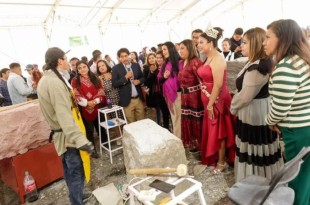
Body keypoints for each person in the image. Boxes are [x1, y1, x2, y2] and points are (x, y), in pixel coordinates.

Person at [37, 47, 94, 205]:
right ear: (59, 61)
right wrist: (81, 141)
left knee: (70, 171)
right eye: (66, 59)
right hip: (67, 137)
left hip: (63, 134)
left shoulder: (49, 79)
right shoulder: (54, 83)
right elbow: (63, 116)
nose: (68, 62)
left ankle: (77, 196)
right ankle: (77, 201)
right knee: (75, 171)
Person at [264, 19, 310, 205]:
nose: (264, 42)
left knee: (297, 182)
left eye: (267, 37)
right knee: (306, 180)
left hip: (297, 133)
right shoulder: (301, 60)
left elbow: (280, 108)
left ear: (282, 38)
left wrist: (269, 120)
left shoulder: (286, 67)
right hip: (305, 128)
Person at [230, 27, 283, 182]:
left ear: (254, 44)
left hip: (254, 112)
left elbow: (246, 96)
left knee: (255, 148)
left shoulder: (257, 68)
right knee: (257, 147)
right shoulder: (254, 62)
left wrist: (233, 107)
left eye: (245, 43)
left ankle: (256, 182)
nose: (241, 46)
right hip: (254, 109)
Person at [196, 27, 235, 172]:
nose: (198, 45)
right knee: (213, 130)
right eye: (198, 42)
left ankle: (221, 162)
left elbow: (218, 85)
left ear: (211, 43)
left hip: (217, 101)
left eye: (201, 42)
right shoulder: (208, 57)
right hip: (209, 100)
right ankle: (215, 159)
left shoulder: (218, 58)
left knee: (220, 132)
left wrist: (211, 104)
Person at [71, 61, 106, 159]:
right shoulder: (75, 80)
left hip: (97, 107)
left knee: (101, 126)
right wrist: (86, 103)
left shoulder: (95, 78)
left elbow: (101, 91)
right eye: (80, 68)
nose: (82, 69)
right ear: (77, 70)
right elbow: (75, 94)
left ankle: (105, 143)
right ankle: (92, 150)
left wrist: (94, 102)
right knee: (89, 131)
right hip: (84, 109)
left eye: (84, 67)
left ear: (88, 67)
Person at [178, 39, 204, 151]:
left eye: (182, 48)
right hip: (185, 97)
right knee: (188, 120)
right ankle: (194, 143)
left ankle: (201, 146)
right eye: (179, 49)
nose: (180, 51)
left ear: (189, 48)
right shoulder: (184, 61)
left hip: (194, 97)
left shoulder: (195, 61)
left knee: (196, 121)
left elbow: (202, 80)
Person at [112, 48, 145, 123]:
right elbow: (114, 84)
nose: (124, 58)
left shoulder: (136, 65)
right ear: (119, 58)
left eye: (126, 56)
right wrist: (125, 77)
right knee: (131, 124)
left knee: (142, 122)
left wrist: (139, 81)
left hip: (138, 99)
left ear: (129, 55)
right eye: (122, 56)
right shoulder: (115, 68)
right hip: (127, 101)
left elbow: (143, 77)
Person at [157, 41, 181, 138]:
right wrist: (165, 76)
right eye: (162, 50)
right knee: (174, 118)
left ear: (171, 49)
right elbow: (159, 79)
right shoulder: (165, 63)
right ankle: (177, 138)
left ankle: (178, 140)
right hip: (168, 95)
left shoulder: (179, 62)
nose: (163, 52)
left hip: (178, 94)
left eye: (165, 49)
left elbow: (181, 79)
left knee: (178, 119)